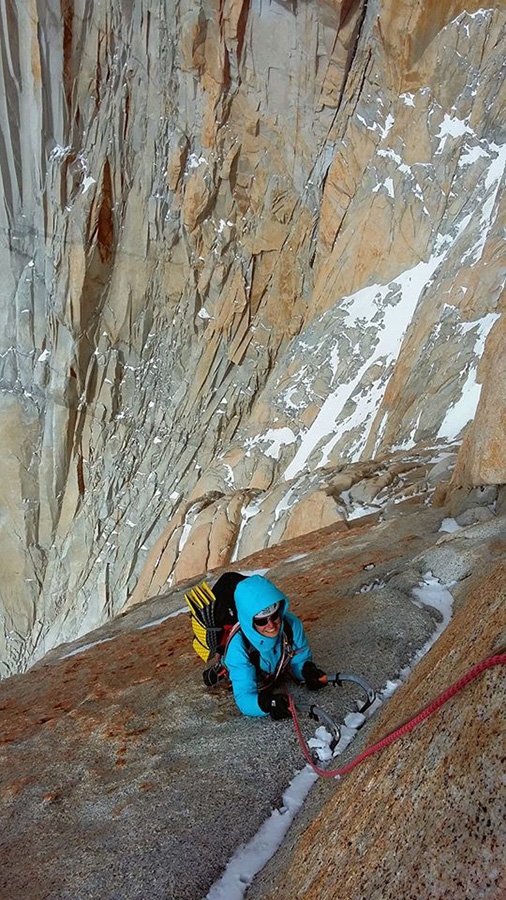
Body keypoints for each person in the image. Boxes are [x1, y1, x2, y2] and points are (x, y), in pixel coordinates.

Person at [223, 573, 327, 719]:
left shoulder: (291, 626)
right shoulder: (239, 647)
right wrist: (266, 704)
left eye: (274, 616)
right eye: (261, 621)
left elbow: (299, 657)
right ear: (249, 621)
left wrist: (307, 672)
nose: (271, 625)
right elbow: (244, 698)